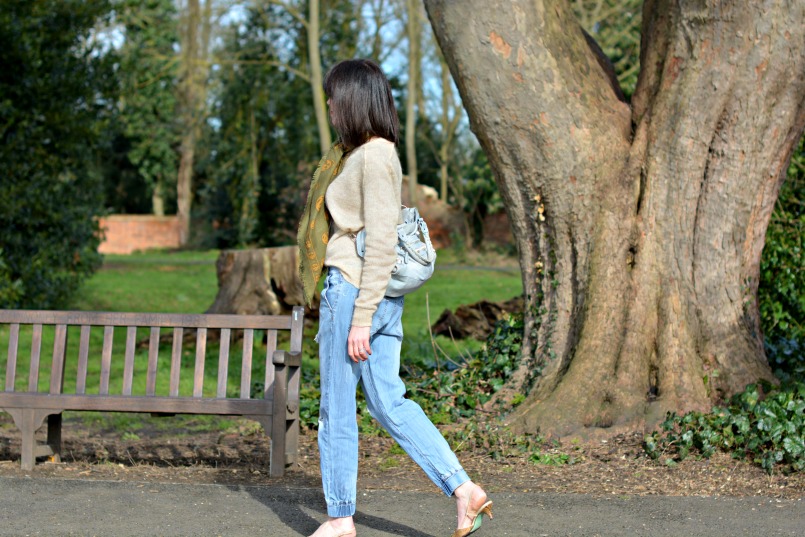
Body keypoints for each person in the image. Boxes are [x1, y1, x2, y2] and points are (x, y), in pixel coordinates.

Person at [297, 58, 493, 537]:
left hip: (355, 293)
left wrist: (360, 318)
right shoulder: (365, 153)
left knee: (336, 407)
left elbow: (382, 241)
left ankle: (341, 518)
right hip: (373, 296)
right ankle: (464, 491)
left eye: (334, 96)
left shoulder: (374, 156)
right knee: (389, 401)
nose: (329, 105)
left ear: (353, 101)